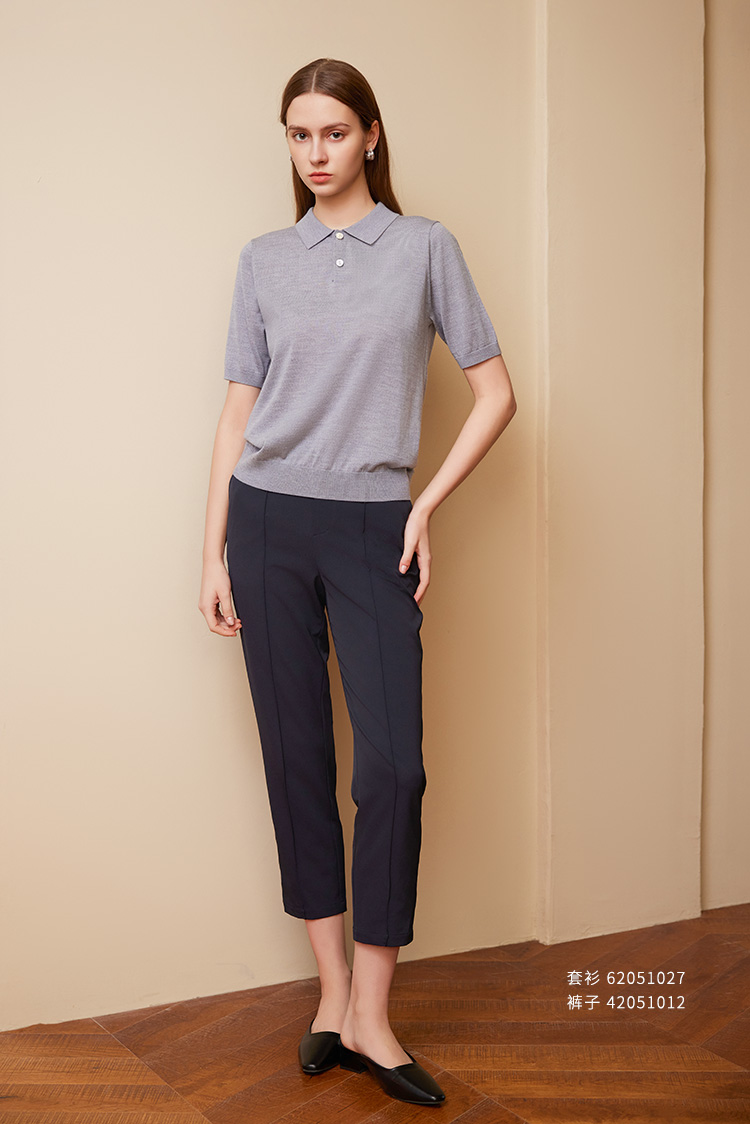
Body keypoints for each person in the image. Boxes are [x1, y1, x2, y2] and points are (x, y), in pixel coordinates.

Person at [199, 57, 517, 1108]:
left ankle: (377, 1014)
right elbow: (238, 416)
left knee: (393, 770)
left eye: (334, 132)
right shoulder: (263, 259)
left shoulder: (424, 248)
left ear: (371, 135)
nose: (316, 152)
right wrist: (212, 551)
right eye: (299, 135)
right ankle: (333, 997)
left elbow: (496, 393)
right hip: (266, 522)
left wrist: (424, 507)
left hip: (375, 520)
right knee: (297, 760)